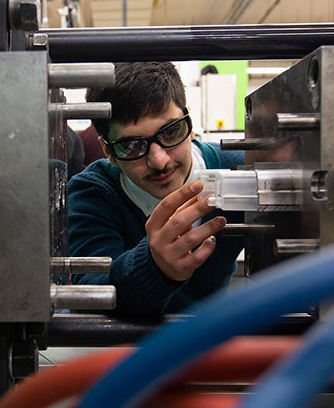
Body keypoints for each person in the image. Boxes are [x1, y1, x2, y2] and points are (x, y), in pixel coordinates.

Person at [67, 61, 245, 315]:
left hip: (213, 337)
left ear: (190, 124)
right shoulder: (93, 192)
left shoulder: (236, 167)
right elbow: (91, 294)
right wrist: (153, 268)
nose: (159, 161)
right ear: (109, 152)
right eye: (131, 146)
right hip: (127, 348)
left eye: (171, 132)